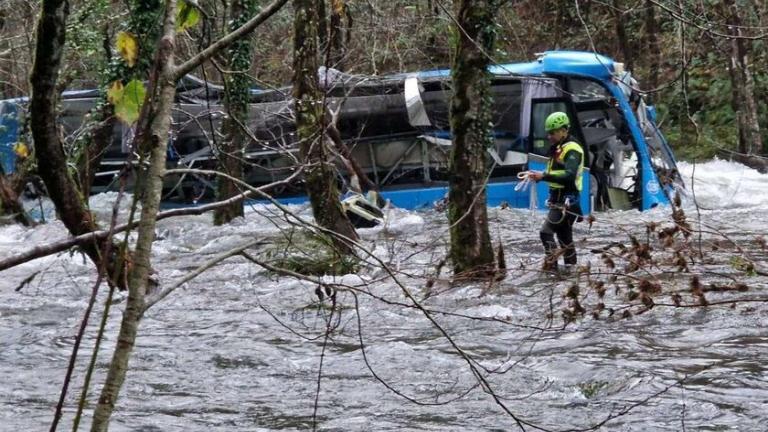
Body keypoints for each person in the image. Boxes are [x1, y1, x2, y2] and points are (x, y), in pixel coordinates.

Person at [526, 112, 585, 272]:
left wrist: (543, 176)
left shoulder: (572, 149)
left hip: (567, 201)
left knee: (545, 233)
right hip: (560, 200)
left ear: (564, 130)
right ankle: (570, 273)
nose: (549, 136)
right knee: (565, 239)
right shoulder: (560, 147)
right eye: (548, 132)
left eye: (552, 132)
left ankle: (551, 270)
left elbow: (569, 175)